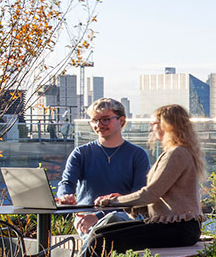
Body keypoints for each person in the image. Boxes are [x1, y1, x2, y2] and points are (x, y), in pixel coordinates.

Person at [81, 104, 205, 257]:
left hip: (178, 229)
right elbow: (158, 199)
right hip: (173, 226)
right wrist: (124, 202)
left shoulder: (177, 154)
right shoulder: (176, 152)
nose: (151, 128)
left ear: (167, 125)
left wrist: (114, 201)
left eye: (154, 124)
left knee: (101, 240)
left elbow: (151, 193)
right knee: (99, 232)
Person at [57, 98, 150, 235]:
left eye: (105, 119)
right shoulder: (81, 153)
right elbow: (66, 182)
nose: (99, 125)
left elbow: (137, 197)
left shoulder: (137, 155)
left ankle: (83, 256)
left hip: (125, 218)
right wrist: (65, 195)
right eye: (94, 120)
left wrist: (99, 217)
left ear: (122, 121)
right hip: (86, 218)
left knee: (112, 222)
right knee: (98, 231)